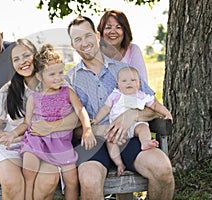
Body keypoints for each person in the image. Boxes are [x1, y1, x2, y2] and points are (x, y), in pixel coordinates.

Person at [66, 16, 174, 200]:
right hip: (93, 143)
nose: (84, 43)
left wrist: (133, 115)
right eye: (77, 39)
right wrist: (95, 129)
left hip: (130, 137)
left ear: (98, 36)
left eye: (87, 35)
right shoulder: (70, 81)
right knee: (89, 180)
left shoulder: (125, 70)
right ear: (72, 46)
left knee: (162, 169)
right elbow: (70, 128)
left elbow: (154, 107)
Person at [4, 48, 96, 200]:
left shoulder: (67, 92)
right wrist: (13, 134)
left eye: (60, 72)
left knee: (72, 180)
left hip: (62, 145)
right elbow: (27, 122)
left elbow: (81, 110)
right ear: (39, 76)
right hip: (36, 142)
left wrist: (87, 129)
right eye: (52, 74)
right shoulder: (34, 98)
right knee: (29, 172)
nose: (58, 78)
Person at [0, 39, 72, 200]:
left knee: (48, 179)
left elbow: (77, 116)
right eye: (16, 59)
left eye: (26, 55)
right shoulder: (8, 91)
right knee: (12, 182)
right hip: (13, 148)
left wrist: (52, 127)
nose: (22, 62)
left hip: (47, 146)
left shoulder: (56, 82)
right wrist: (9, 137)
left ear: (35, 55)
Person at [92, 66, 173, 176]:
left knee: (143, 128)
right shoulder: (116, 95)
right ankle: (119, 163)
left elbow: (155, 105)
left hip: (135, 125)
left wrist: (166, 113)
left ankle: (145, 143)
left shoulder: (141, 96)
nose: (128, 83)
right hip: (117, 129)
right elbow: (106, 108)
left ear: (139, 84)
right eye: (124, 81)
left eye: (133, 80)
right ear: (118, 85)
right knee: (110, 141)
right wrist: (96, 119)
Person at [97, 10, 148, 83]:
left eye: (118, 27)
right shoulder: (93, 53)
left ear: (125, 31)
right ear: (101, 32)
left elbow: (143, 83)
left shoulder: (133, 50)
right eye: (108, 27)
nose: (113, 31)